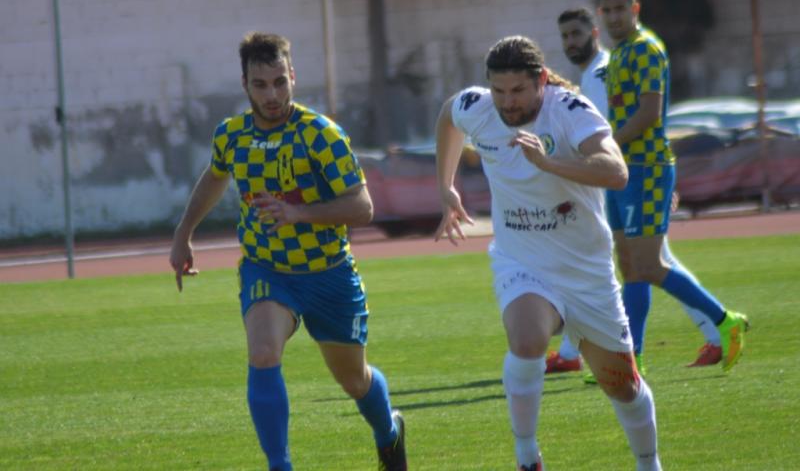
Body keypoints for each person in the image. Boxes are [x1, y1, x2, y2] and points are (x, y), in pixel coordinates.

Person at [169, 32, 406, 471]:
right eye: (261, 85)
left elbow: (363, 208)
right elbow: (216, 175)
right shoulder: (232, 135)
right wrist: (184, 232)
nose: (272, 95)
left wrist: (298, 214)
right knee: (263, 352)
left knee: (354, 381)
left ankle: (389, 433)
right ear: (245, 84)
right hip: (268, 269)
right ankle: (280, 465)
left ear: (293, 76)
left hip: (329, 273)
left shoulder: (321, 134)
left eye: (280, 82)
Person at [435, 35, 662, 471]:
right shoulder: (477, 107)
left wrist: (549, 163)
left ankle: (649, 464)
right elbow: (448, 115)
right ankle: (527, 458)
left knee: (624, 387)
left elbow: (616, 171)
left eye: (518, 90)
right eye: (499, 90)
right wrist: (445, 187)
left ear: (541, 79)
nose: (508, 102)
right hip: (522, 261)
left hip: (586, 272)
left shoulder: (571, 111)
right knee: (526, 339)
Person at [546, 7, 724, 374]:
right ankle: (716, 333)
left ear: (595, 32)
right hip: (625, 180)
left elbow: (618, 130)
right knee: (640, 263)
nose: (570, 42)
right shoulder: (595, 72)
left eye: (577, 33)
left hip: (626, 179)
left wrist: (656, 182)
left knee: (619, 263)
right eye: (565, 36)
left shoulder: (603, 72)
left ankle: (579, 351)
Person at [596, 0, 748, 375]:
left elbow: (649, 113)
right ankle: (634, 359)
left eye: (620, 9)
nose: (614, 17)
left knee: (647, 265)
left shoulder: (646, 48)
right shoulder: (619, 53)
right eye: (607, 10)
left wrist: (607, 142)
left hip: (646, 168)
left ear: (635, 9)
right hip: (622, 169)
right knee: (630, 265)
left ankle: (725, 320)